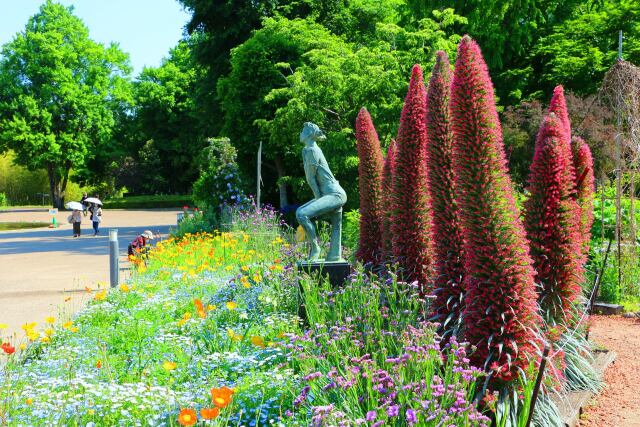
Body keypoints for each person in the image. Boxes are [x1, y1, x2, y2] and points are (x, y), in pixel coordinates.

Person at [295, 122, 347, 261]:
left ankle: (315, 248)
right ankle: (334, 255)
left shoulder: (312, 150)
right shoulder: (308, 150)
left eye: (302, 130)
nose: (300, 133)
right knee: (302, 212)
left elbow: (311, 178)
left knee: (302, 214)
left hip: (334, 194)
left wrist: (318, 201)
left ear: (309, 134)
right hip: (330, 194)